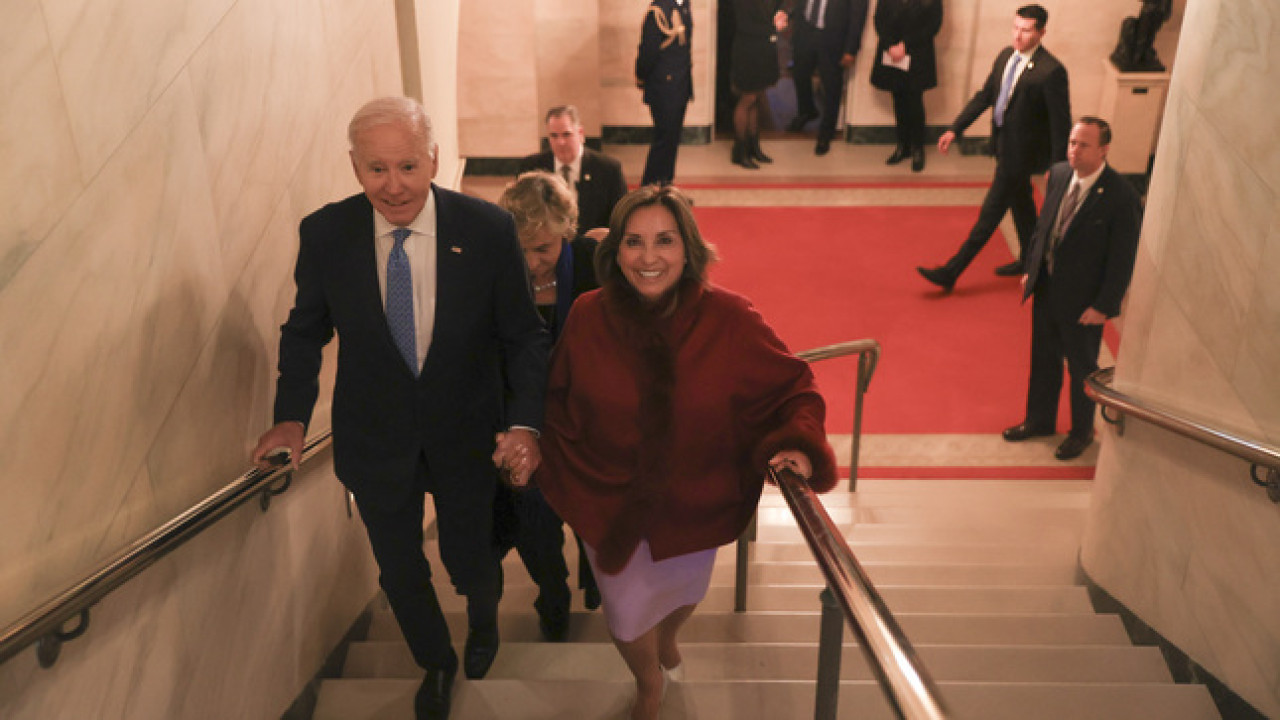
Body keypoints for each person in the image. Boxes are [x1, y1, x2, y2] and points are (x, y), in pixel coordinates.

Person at [250, 97, 550, 720]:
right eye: (376, 169)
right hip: (373, 438)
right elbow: (305, 331)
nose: (394, 186)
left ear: (434, 159)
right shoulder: (326, 233)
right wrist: (291, 415)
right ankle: (435, 661)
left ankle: (484, 621)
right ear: (355, 167)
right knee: (398, 569)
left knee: (471, 556)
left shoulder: (487, 230)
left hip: (469, 436)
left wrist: (524, 423)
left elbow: (524, 336)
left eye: (408, 166)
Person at [532, 185, 837, 720]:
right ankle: (649, 681)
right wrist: (542, 449)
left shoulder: (731, 319)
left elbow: (796, 388)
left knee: (682, 592)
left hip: (699, 502)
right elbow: (556, 395)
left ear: (689, 247)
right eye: (634, 242)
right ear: (616, 250)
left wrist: (799, 445)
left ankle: (668, 638)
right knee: (626, 617)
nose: (649, 258)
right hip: (609, 505)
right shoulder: (587, 313)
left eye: (665, 241)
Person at [492, 171, 603, 641]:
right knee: (533, 514)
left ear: (566, 234)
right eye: (522, 249)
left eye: (544, 249)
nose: (533, 263)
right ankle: (552, 592)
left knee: (593, 512)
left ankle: (595, 574)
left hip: (588, 420)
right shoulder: (496, 275)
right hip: (527, 421)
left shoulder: (595, 265)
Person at [1004, 117, 1140, 461]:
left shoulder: (1121, 197)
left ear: (1103, 150)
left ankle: (1081, 432)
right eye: (1071, 143)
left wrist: (1104, 305)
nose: (1074, 151)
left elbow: (1122, 260)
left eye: (1083, 145)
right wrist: (1032, 270)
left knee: (1082, 367)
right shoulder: (1060, 174)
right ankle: (1039, 421)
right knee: (1043, 360)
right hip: (1048, 288)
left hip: (1084, 303)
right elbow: (1044, 226)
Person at [917, 3, 1070, 291]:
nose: (1018, 35)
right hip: (1003, 146)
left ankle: (951, 271)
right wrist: (955, 128)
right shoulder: (1005, 57)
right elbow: (985, 96)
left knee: (990, 215)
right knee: (1022, 204)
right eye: (1015, 28)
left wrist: (1058, 165)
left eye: (1026, 31)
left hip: (1022, 156)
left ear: (1041, 33)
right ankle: (1031, 260)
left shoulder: (1051, 72)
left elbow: (1061, 124)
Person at [517, 105, 628, 238]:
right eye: (554, 136)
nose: (561, 142)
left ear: (580, 134)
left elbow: (621, 219)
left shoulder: (608, 169)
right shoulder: (531, 167)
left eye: (566, 134)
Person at [785, 0, 870, 156]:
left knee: (832, 86)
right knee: (800, 73)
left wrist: (851, 49)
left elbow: (858, 15)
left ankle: (826, 132)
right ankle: (807, 110)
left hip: (833, 38)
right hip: (805, 32)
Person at [869, 0, 943, 172]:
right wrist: (890, 45)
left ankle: (917, 148)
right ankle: (902, 146)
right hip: (892, 54)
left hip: (917, 54)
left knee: (915, 102)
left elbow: (934, 25)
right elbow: (879, 19)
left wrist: (905, 44)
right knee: (898, 99)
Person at [637, 0, 694, 186]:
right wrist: (641, 76)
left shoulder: (683, 5)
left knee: (672, 140)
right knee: (664, 140)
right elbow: (648, 52)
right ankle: (649, 187)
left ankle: (665, 185)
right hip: (664, 87)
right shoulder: (658, 11)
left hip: (680, 85)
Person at [727, 0, 787, 169]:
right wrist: (773, 27)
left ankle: (753, 147)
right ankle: (739, 151)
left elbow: (778, 6)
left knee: (757, 97)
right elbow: (744, 25)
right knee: (748, 98)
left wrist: (781, 14)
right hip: (748, 49)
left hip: (764, 48)